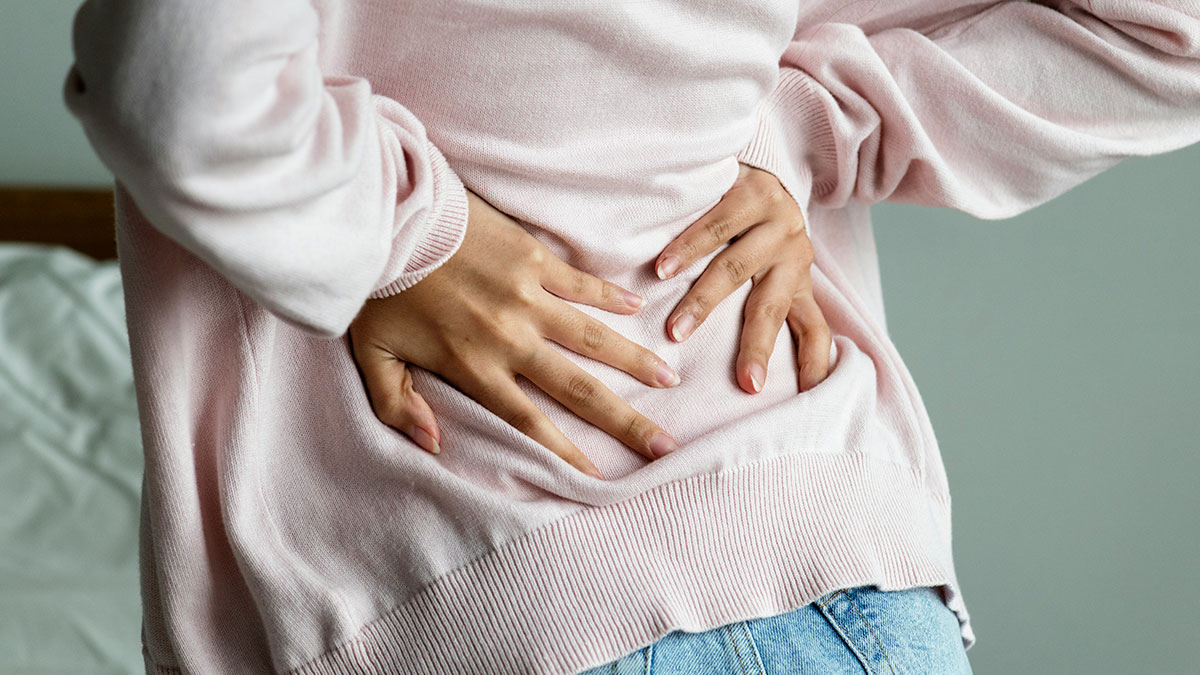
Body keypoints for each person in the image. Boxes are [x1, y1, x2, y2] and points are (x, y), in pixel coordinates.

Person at [63, 0, 1199, 672]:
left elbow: (180, 90)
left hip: (464, 594)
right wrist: (801, 129)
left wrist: (405, 241)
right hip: (852, 578)